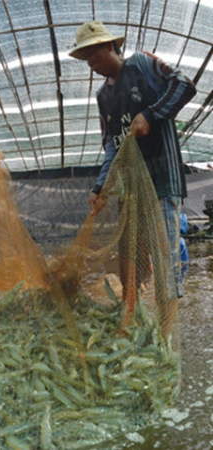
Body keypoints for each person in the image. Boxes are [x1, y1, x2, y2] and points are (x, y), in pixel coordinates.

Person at [69, 21, 196, 336]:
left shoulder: (142, 64)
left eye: (93, 56)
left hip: (162, 183)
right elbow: (113, 148)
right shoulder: (103, 97)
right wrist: (100, 188)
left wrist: (151, 116)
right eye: (85, 59)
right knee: (131, 263)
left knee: (166, 267)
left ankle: (164, 337)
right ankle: (132, 318)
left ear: (109, 46)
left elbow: (184, 84)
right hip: (131, 193)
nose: (91, 64)